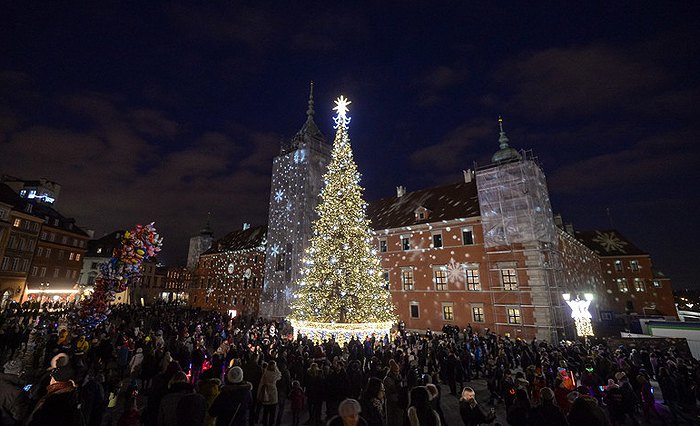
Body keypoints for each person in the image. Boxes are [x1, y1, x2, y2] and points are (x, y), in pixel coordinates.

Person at [258, 360, 282, 426]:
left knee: (266, 411)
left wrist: (259, 394)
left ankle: (265, 423)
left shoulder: (265, 373)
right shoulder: (276, 374)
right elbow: (279, 375)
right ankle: (271, 423)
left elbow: (261, 383)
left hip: (266, 394)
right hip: (273, 394)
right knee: (272, 412)